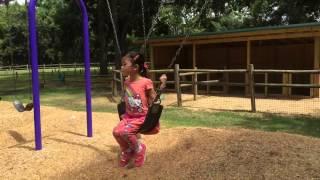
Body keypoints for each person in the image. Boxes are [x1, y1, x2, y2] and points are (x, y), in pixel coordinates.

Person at [112, 51, 167, 168]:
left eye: (124, 64)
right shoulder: (126, 82)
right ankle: (127, 150)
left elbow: (153, 99)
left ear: (135, 67)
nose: (121, 67)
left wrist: (162, 86)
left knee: (125, 132)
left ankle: (140, 149)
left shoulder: (146, 82)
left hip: (141, 118)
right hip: (129, 117)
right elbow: (127, 97)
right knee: (116, 132)